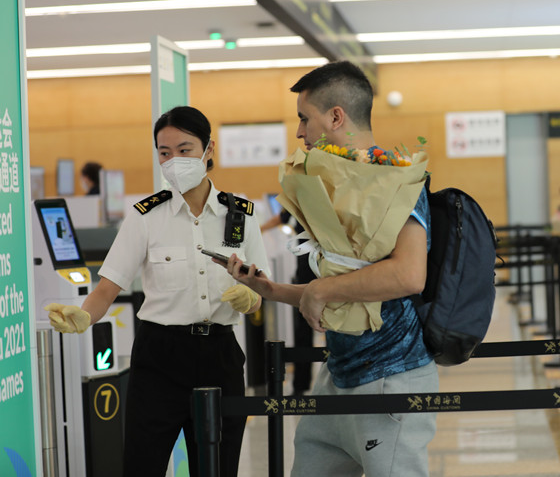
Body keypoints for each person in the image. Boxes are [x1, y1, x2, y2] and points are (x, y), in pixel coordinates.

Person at [221, 60, 437, 477]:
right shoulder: (333, 185)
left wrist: (320, 291)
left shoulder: (398, 181)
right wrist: (273, 291)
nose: (300, 132)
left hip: (391, 377)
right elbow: (345, 286)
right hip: (338, 374)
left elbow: (409, 275)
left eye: (305, 118)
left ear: (336, 116)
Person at [44, 106, 269, 477]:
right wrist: (85, 314)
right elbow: (108, 285)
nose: (174, 160)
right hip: (159, 359)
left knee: (218, 468)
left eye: (185, 149)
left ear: (208, 149)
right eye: (164, 152)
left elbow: (261, 286)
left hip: (220, 356)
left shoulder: (240, 215)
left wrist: (251, 296)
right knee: (142, 465)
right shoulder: (146, 216)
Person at [260, 209, 316, 394]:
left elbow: (279, 218)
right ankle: (302, 384)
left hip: (311, 268)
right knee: (305, 328)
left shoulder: (301, 197)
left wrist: (260, 229)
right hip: (314, 268)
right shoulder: (304, 196)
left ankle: (301, 385)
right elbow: (281, 218)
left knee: (304, 328)